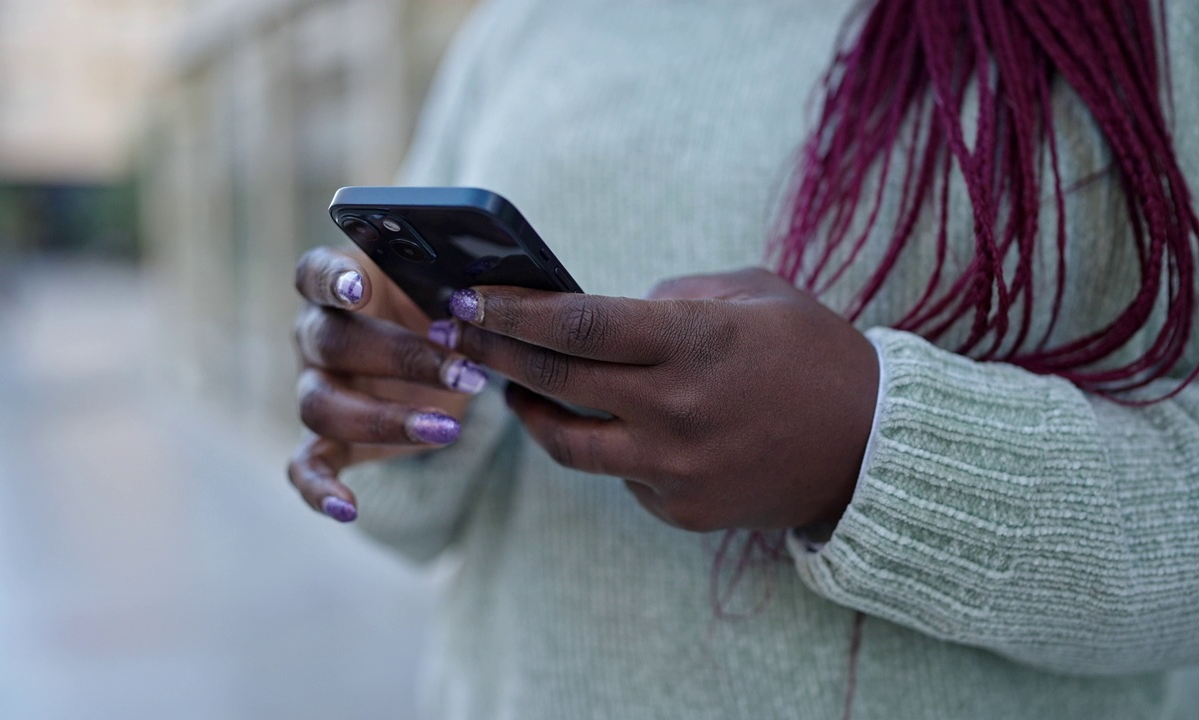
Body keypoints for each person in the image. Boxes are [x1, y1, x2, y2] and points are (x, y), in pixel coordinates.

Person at [288, 0, 1199, 717]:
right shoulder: (528, 23)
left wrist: (874, 446)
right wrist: (389, 402)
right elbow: (414, 513)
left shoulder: (1156, 26)